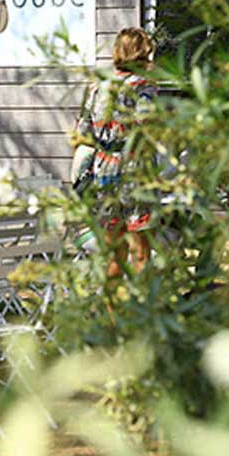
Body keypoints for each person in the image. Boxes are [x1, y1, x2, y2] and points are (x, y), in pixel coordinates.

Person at [73, 27, 157, 276]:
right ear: (142, 53)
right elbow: (147, 125)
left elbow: (83, 132)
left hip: (103, 170)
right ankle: (142, 312)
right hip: (134, 169)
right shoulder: (143, 86)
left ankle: (114, 314)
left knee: (113, 254)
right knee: (140, 251)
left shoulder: (96, 86)